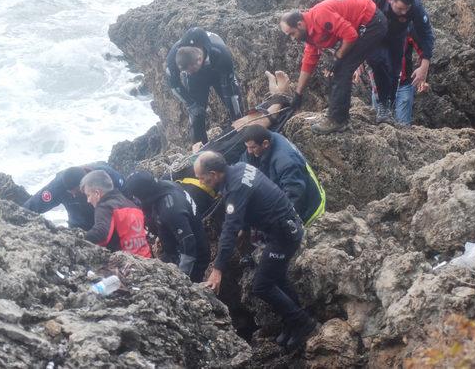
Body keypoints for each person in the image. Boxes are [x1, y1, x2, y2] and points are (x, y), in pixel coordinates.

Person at [195, 151, 317, 351]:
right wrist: (246, 226)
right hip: (285, 226)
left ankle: (303, 322)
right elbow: (254, 199)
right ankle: (292, 320)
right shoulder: (240, 168)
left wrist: (217, 269)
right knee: (277, 277)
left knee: (261, 285)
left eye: (201, 178)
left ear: (214, 174)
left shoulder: (235, 188)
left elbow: (229, 230)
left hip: (284, 235)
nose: (201, 182)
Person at [280, 0, 387, 134]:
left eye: (292, 34)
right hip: (362, 25)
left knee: (343, 69)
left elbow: (350, 35)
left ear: (299, 24)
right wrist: (298, 94)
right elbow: (308, 62)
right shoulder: (309, 34)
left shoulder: (320, 16)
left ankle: (338, 120)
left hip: (373, 22)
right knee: (341, 68)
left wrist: (338, 56)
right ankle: (337, 116)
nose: (293, 39)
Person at [362, 0, 435, 124]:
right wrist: (356, 56)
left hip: (398, 34)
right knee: (379, 61)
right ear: (390, 0)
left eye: (407, 9)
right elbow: (354, 20)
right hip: (375, 32)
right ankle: (382, 106)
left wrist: (425, 66)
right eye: (401, 8)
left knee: (396, 69)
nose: (405, 12)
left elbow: (426, 34)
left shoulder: (415, 6)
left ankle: (388, 106)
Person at [123, 171, 210, 282]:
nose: (135, 199)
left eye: (135, 196)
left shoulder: (171, 209)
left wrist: (181, 278)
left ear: (143, 194)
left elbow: (188, 243)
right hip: (176, 246)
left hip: (193, 256)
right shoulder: (165, 185)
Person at [166, 27, 244, 144]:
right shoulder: (173, 58)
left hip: (219, 71)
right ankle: (200, 152)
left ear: (199, 60)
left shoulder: (220, 53)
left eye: (190, 71)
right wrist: (191, 104)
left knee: (233, 104)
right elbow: (174, 85)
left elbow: (230, 90)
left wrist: (236, 116)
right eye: (185, 72)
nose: (188, 73)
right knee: (196, 114)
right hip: (197, 80)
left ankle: (241, 135)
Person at [240, 124, 325, 226]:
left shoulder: (285, 162)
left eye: (252, 147)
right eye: (247, 147)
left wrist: (276, 223)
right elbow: (246, 162)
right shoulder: (267, 137)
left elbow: (295, 197)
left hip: (309, 210)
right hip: (292, 186)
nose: (249, 151)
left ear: (265, 144)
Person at [23, 161, 124, 230]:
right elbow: (33, 206)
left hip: (108, 221)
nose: (75, 195)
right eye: (71, 193)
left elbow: (127, 195)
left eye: (79, 192)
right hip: (79, 225)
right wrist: (15, 218)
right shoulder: (58, 187)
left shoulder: (107, 176)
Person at [80, 170, 151, 257]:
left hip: (127, 263)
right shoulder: (130, 204)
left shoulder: (105, 206)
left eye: (88, 195)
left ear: (97, 193)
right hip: (147, 258)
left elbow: (101, 234)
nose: (88, 201)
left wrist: (78, 238)